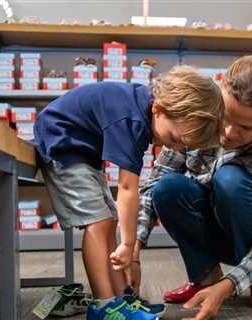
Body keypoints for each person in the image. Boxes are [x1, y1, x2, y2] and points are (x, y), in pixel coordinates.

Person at [33, 65, 224, 320]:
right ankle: (103, 306)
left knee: (109, 221)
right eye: (174, 138)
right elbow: (126, 187)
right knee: (98, 222)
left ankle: (120, 299)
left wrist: (127, 247)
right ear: (159, 109)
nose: (174, 146)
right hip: (63, 143)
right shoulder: (132, 121)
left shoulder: (142, 112)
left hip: (84, 151)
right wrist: (129, 243)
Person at [132, 54, 252, 320]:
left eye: (246, 127)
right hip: (219, 226)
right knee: (166, 188)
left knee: (230, 180)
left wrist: (228, 287)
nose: (227, 133)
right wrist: (133, 247)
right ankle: (205, 277)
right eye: (224, 117)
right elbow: (154, 183)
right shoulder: (199, 115)